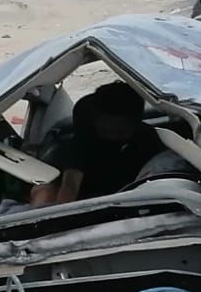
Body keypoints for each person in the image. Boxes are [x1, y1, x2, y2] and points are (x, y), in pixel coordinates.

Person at [34, 81, 164, 204]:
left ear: (135, 124)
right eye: (105, 130)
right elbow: (70, 184)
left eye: (120, 131)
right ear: (94, 121)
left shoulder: (149, 141)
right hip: (87, 197)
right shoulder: (81, 143)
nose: (113, 137)